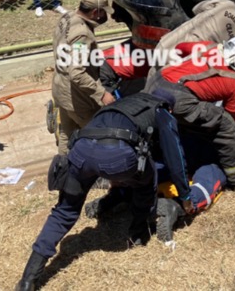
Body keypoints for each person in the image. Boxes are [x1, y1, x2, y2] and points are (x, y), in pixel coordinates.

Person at [15, 92, 192, 291]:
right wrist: (185, 195)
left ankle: (28, 279)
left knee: (64, 211)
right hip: (117, 157)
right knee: (148, 179)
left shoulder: (122, 103)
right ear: (170, 108)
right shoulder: (162, 112)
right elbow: (175, 156)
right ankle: (138, 233)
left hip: (81, 151)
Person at [145, 33, 235, 189]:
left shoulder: (207, 45)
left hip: (157, 80)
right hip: (178, 96)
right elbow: (229, 118)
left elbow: (180, 48)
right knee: (225, 124)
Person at [52, 0, 116, 155]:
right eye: (103, 12)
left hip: (60, 87)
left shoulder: (66, 17)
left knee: (67, 133)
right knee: (98, 136)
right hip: (76, 99)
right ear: (96, 12)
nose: (104, 17)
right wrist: (101, 94)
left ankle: (62, 169)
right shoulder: (82, 35)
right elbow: (77, 73)